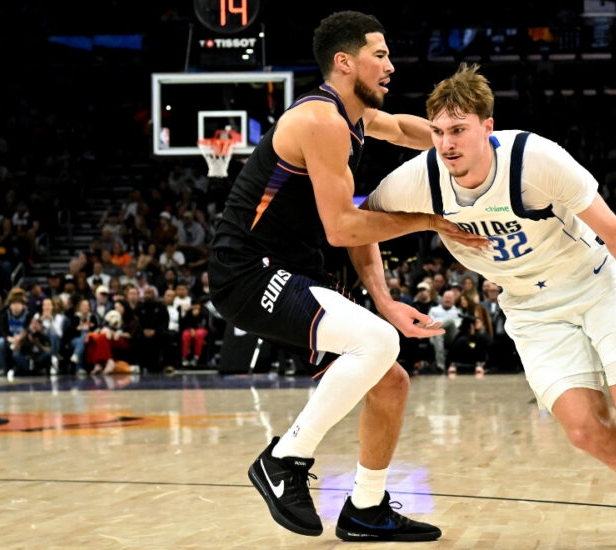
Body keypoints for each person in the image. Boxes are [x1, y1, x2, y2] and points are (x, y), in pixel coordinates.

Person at [365, 64, 616, 550]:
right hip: (529, 308)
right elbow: (359, 225)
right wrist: (384, 300)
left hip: (595, 285)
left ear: (486, 128)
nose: (447, 144)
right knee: (588, 433)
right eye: (437, 132)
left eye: (458, 130)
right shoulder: (418, 180)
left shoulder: (537, 160)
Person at [207, 11, 484, 543]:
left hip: (293, 270)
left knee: (391, 382)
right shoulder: (321, 121)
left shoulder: (354, 118)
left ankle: (365, 508)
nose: (391, 65)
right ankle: (284, 457)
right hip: (247, 271)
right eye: (379, 55)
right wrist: (428, 220)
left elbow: (405, 129)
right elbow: (344, 227)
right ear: (344, 61)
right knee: (376, 343)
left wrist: (457, 137)